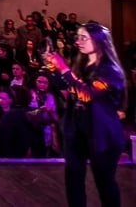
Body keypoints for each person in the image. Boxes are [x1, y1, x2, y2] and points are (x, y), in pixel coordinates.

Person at [46, 22, 126, 207]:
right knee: (73, 180)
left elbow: (87, 94)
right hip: (77, 131)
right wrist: (54, 70)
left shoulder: (110, 71)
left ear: (99, 41)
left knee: (104, 183)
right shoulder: (82, 64)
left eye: (84, 38)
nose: (78, 42)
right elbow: (70, 88)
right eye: (77, 37)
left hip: (101, 135)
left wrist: (64, 69)